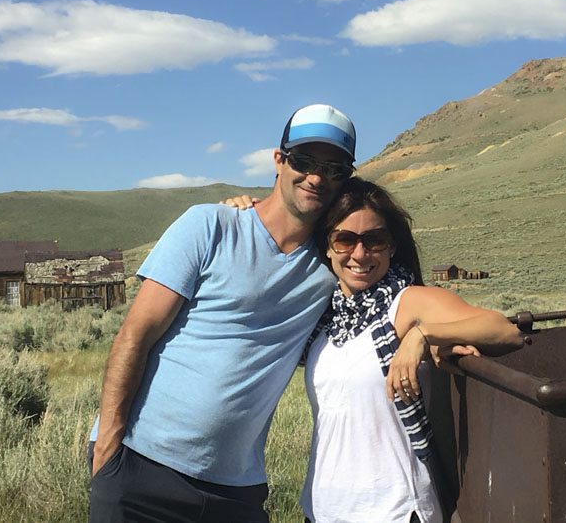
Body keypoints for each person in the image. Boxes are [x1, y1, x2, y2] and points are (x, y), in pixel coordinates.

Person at [87, 103, 358, 523]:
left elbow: (394, 297)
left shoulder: (335, 262)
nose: (317, 177)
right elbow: (135, 335)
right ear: (279, 160)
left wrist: (422, 336)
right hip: (141, 465)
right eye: (304, 161)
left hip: (236, 489)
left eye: (334, 169)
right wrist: (108, 448)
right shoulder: (210, 225)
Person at [299, 177, 524, 523]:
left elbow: (504, 330)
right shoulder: (324, 319)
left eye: (374, 240)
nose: (360, 254)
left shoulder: (408, 303)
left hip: (396, 510)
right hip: (322, 510)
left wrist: (422, 335)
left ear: (392, 246)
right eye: (345, 240)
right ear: (327, 247)